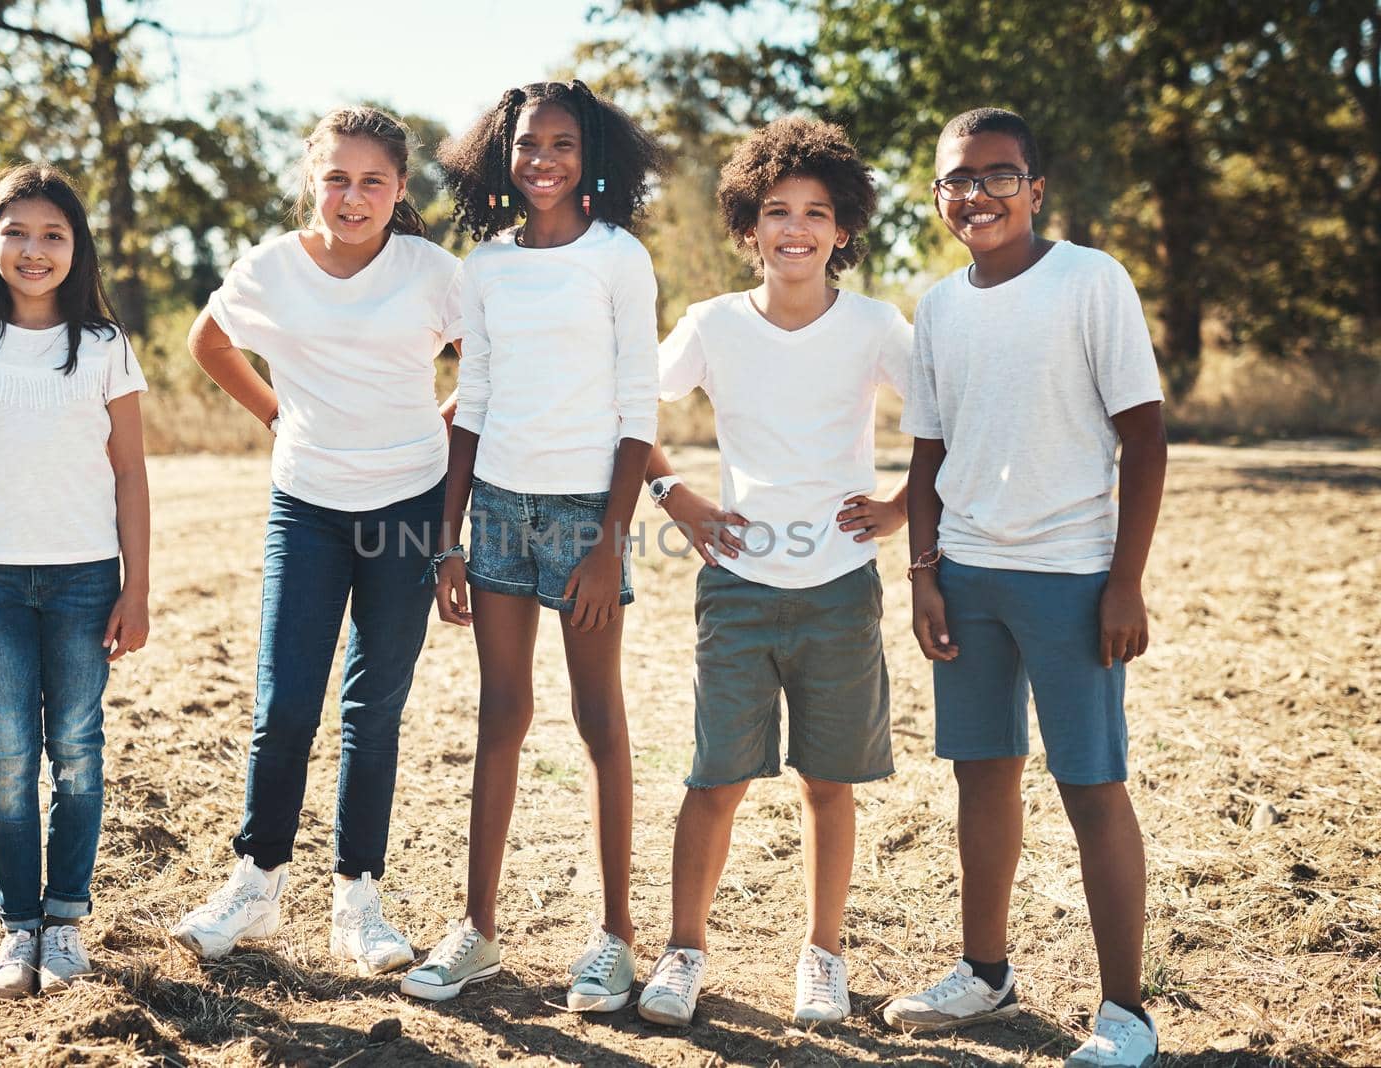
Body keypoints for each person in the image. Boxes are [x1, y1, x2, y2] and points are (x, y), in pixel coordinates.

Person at [883, 107, 1167, 1068]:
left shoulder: (1091, 281)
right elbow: (927, 456)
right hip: (967, 574)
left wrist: (1125, 580)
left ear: (1035, 189)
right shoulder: (939, 306)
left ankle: (1126, 1012)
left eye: (999, 176)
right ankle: (986, 974)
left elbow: (1145, 437)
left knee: (1091, 787)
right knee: (981, 777)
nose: (977, 194)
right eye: (957, 179)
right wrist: (924, 576)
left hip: (1073, 577)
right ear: (937, 195)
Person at [629, 117, 911, 1028]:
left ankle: (822, 955)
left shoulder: (875, 326)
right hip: (740, 584)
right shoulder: (712, 324)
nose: (797, 228)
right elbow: (631, 404)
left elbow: (950, 412)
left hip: (839, 586)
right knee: (716, 779)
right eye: (777, 211)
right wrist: (677, 497)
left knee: (827, 782)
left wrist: (904, 507)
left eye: (817, 213)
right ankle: (683, 951)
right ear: (748, 227)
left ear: (843, 228)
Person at [167, 107, 461, 976]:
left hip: (408, 510)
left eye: (374, 180)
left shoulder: (432, 272)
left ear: (401, 190)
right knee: (285, 704)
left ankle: (358, 902)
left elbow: (487, 363)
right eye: (337, 177)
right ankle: (254, 886)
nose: (353, 195)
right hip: (307, 507)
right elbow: (207, 341)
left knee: (373, 713)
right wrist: (272, 414)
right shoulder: (270, 269)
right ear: (312, 181)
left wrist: (444, 434)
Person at [399, 81, 665, 1012]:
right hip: (499, 511)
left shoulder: (620, 260)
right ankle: (476, 931)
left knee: (600, 723)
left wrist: (609, 543)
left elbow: (640, 411)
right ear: (500, 157)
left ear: (590, 153)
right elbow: (470, 405)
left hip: (590, 512)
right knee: (501, 715)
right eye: (526, 143)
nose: (542, 158)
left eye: (561, 142)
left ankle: (616, 939)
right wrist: (448, 540)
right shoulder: (486, 267)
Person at [0, 164, 150, 999]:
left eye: (54, 234)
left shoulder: (104, 347)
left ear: (77, 248)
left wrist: (138, 587)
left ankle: (65, 924)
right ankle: (18, 930)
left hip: (87, 579)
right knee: (10, 758)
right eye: (17, 231)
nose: (34, 249)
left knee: (77, 754)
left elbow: (130, 474)